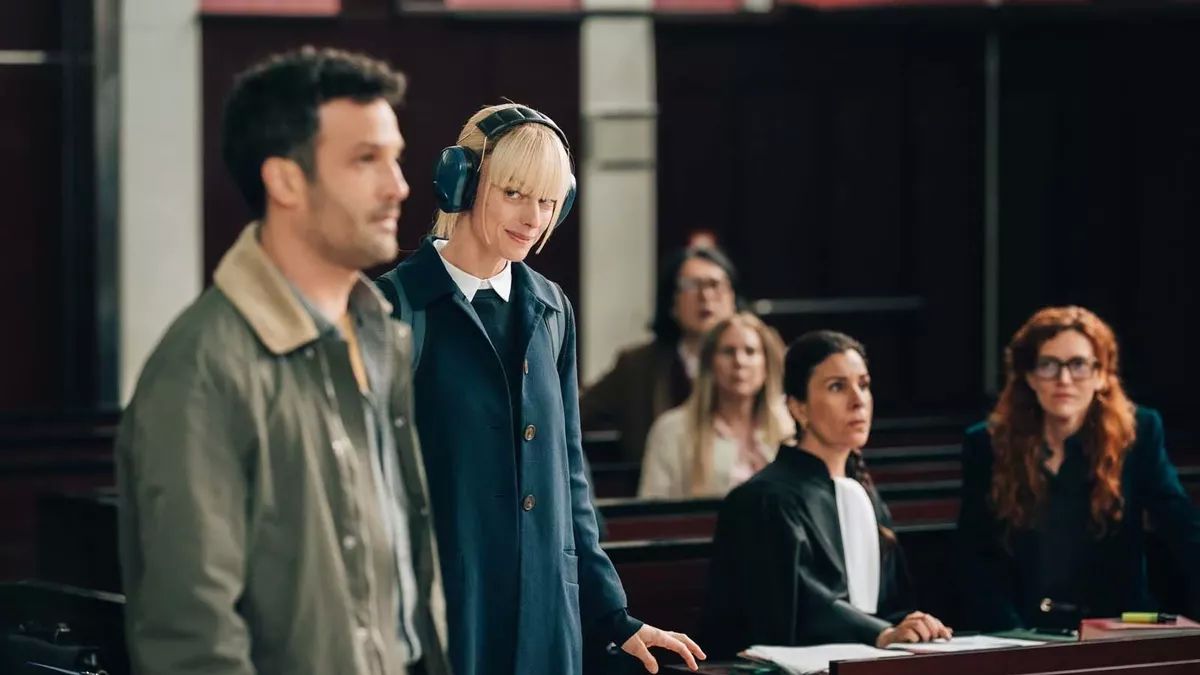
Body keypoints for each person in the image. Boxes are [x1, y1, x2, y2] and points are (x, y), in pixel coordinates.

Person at [116, 48, 449, 675]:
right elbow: (192, 641)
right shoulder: (203, 368)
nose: (399, 186)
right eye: (366, 159)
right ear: (286, 181)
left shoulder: (380, 334)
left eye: (395, 157)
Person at [375, 103, 705, 675]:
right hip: (442, 618)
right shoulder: (394, 307)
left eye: (549, 201)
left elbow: (570, 475)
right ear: (462, 183)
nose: (534, 218)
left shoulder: (553, 309)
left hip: (545, 621)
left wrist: (613, 616)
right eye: (515, 194)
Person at [701, 330, 952, 657]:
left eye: (863, 385)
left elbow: (892, 603)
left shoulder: (864, 494)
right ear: (798, 408)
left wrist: (916, 627)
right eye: (837, 387)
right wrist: (881, 633)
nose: (858, 400)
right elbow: (797, 606)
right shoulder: (763, 499)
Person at [958, 306, 1200, 631]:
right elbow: (976, 556)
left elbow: (1181, 526)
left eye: (1079, 365)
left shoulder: (1138, 433)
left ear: (1101, 375)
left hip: (1114, 627)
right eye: (1048, 365)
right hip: (1019, 629)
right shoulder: (986, 444)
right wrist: (1011, 635)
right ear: (1029, 376)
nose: (1064, 379)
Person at [581, 245, 742, 463]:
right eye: (691, 285)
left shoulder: (757, 360)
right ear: (671, 301)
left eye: (715, 285)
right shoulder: (637, 366)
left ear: (733, 297)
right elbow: (576, 413)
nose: (706, 296)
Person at [638, 312, 792, 499]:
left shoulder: (789, 428)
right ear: (710, 364)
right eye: (728, 352)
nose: (739, 362)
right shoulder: (671, 430)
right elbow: (653, 508)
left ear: (766, 365)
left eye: (750, 351)